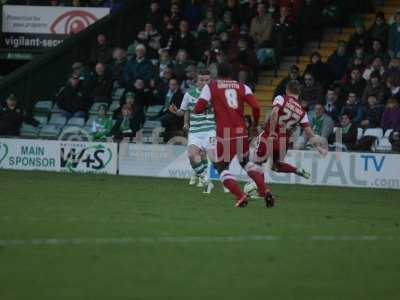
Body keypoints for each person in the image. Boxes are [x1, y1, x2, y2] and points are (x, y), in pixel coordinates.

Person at [193, 62, 270, 208]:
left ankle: (240, 196)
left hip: (225, 133)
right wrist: (254, 124)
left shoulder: (211, 86)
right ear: (231, 73)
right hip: (241, 132)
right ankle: (264, 190)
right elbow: (256, 107)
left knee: (221, 167)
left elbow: (197, 109)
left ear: (218, 73)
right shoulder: (243, 86)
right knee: (246, 163)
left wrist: (211, 106)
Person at [251, 81, 326, 185]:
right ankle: (296, 170)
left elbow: (274, 112)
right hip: (284, 141)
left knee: (257, 162)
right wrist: (318, 147)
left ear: (287, 90)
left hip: (270, 136)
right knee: (276, 166)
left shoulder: (281, 98)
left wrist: (272, 131)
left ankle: (260, 191)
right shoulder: (302, 112)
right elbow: (309, 132)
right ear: (298, 93)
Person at [174, 71, 215, 192]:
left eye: (207, 80)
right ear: (197, 82)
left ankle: (223, 181)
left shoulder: (214, 94)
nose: (204, 82)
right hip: (195, 130)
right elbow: (183, 111)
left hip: (210, 129)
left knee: (212, 156)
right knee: (192, 155)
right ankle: (205, 179)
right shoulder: (189, 94)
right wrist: (176, 112)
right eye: (201, 80)